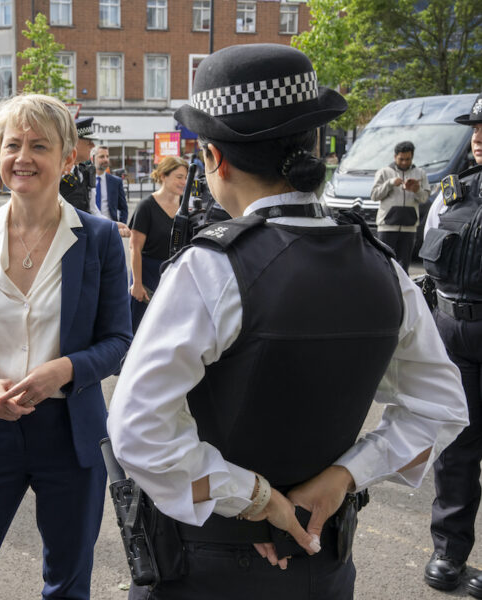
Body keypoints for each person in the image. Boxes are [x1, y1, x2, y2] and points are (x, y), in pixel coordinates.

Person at [107, 44, 468, 600]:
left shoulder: (212, 268)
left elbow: (137, 429)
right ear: (312, 146)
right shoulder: (384, 267)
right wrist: (343, 477)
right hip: (321, 562)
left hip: (206, 561)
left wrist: (259, 498)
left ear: (213, 159)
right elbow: (442, 407)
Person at [0, 94, 132, 600]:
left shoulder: (97, 239)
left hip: (70, 436)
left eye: (39, 145)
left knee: (68, 584)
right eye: (12, 144)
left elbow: (119, 339)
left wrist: (65, 370)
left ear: (68, 157)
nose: (23, 157)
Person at [421, 92, 482, 597]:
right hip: (452, 331)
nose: (478, 137)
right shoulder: (451, 193)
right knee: (456, 447)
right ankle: (449, 552)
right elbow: (430, 263)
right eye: (476, 128)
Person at [128, 156, 188, 333]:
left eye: (185, 177)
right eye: (179, 177)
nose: (183, 182)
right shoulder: (146, 206)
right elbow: (135, 248)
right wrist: (137, 284)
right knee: (140, 329)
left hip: (174, 274)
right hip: (147, 276)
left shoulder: (186, 207)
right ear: (163, 176)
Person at [370, 140, 430, 271]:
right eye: (401, 159)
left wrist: (416, 190)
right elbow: (374, 195)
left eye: (407, 159)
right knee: (384, 264)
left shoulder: (420, 174)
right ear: (395, 157)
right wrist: (390, 183)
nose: (404, 162)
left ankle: (402, 291)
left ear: (412, 157)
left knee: (404, 267)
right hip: (387, 226)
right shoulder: (384, 172)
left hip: (409, 227)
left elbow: (424, 199)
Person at [59, 117, 97, 213]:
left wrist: (110, 225)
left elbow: (93, 210)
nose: (93, 145)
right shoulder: (56, 172)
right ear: (74, 142)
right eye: (89, 141)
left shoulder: (85, 172)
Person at [91, 145, 130, 237]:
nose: (106, 160)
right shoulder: (85, 180)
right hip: (91, 229)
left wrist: (120, 227)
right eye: (101, 157)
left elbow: (123, 208)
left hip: (110, 230)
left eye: (107, 156)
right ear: (92, 159)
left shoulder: (116, 181)